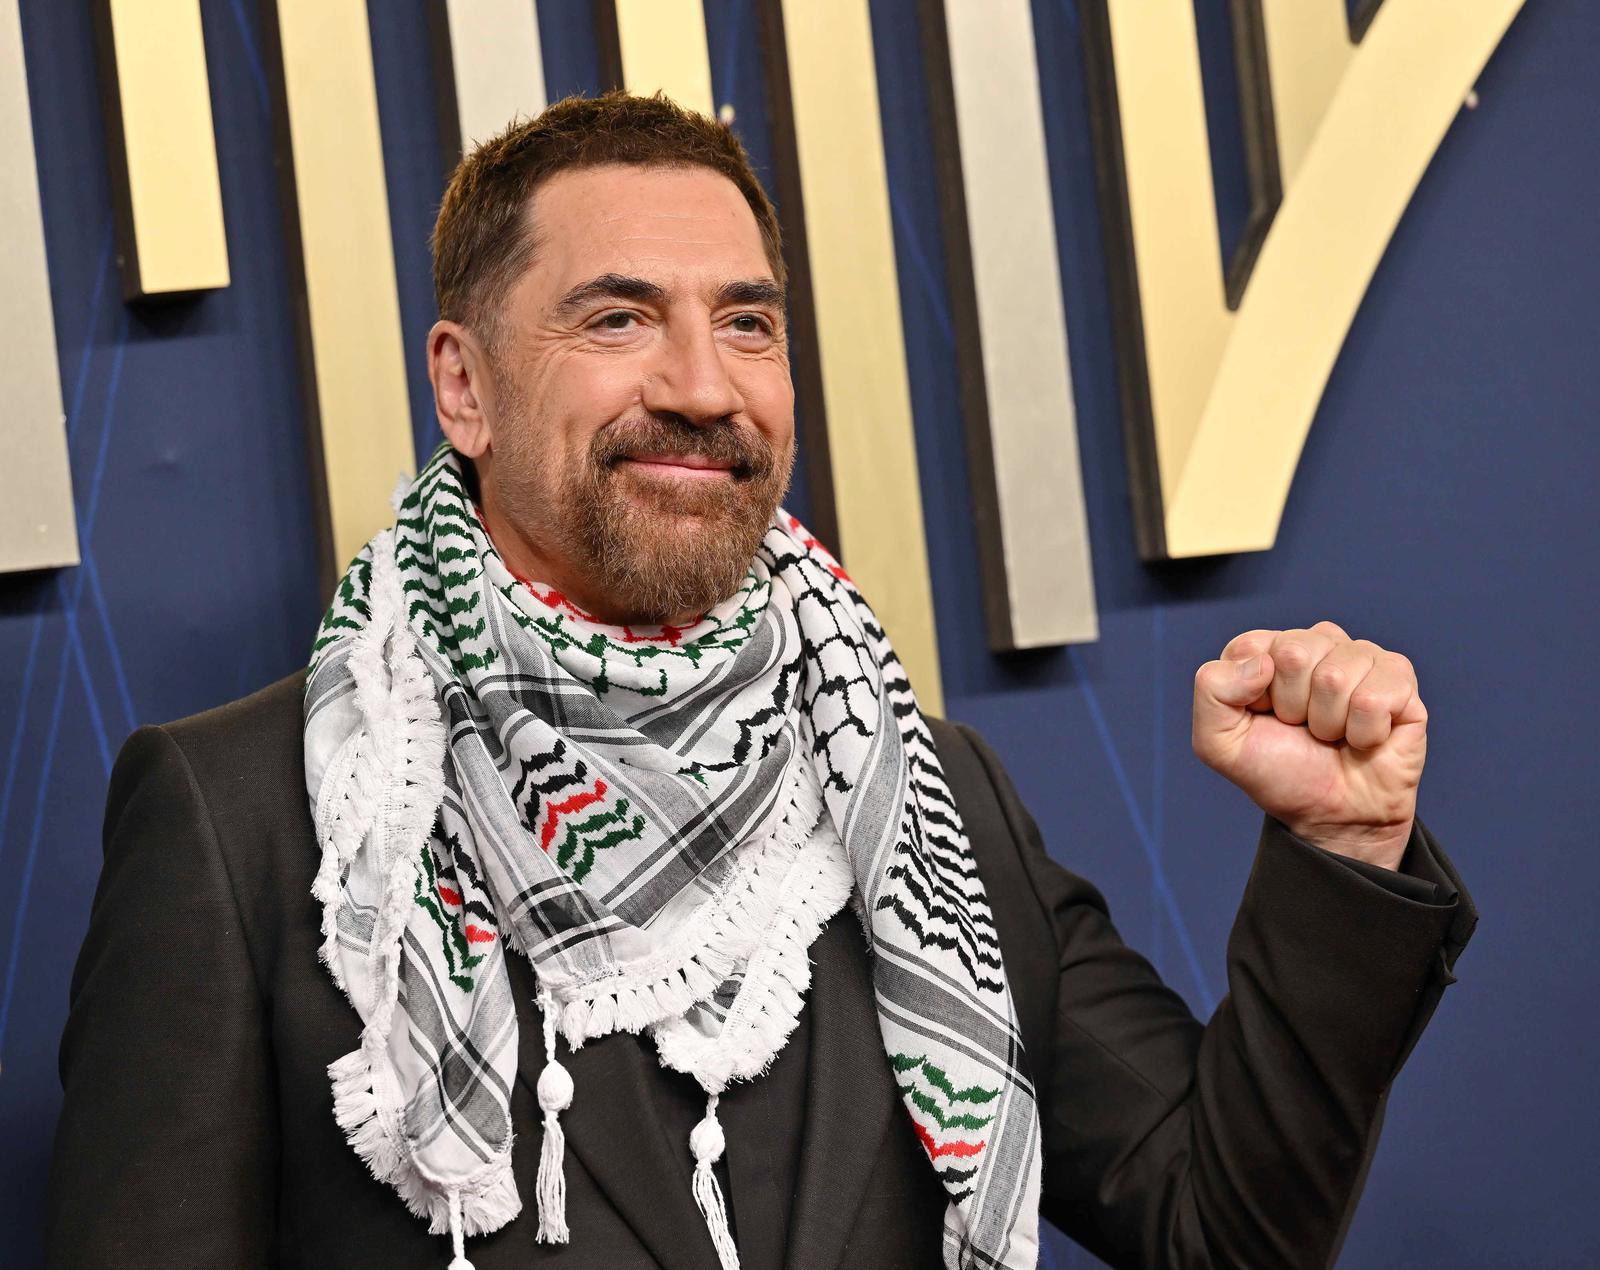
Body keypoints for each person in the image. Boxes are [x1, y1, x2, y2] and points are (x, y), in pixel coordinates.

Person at [44, 92, 1474, 1270]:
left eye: (747, 323)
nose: (703, 386)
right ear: (464, 386)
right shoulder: (245, 823)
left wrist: (1342, 845)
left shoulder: (926, 795)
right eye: (617, 320)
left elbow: (1221, 1231)